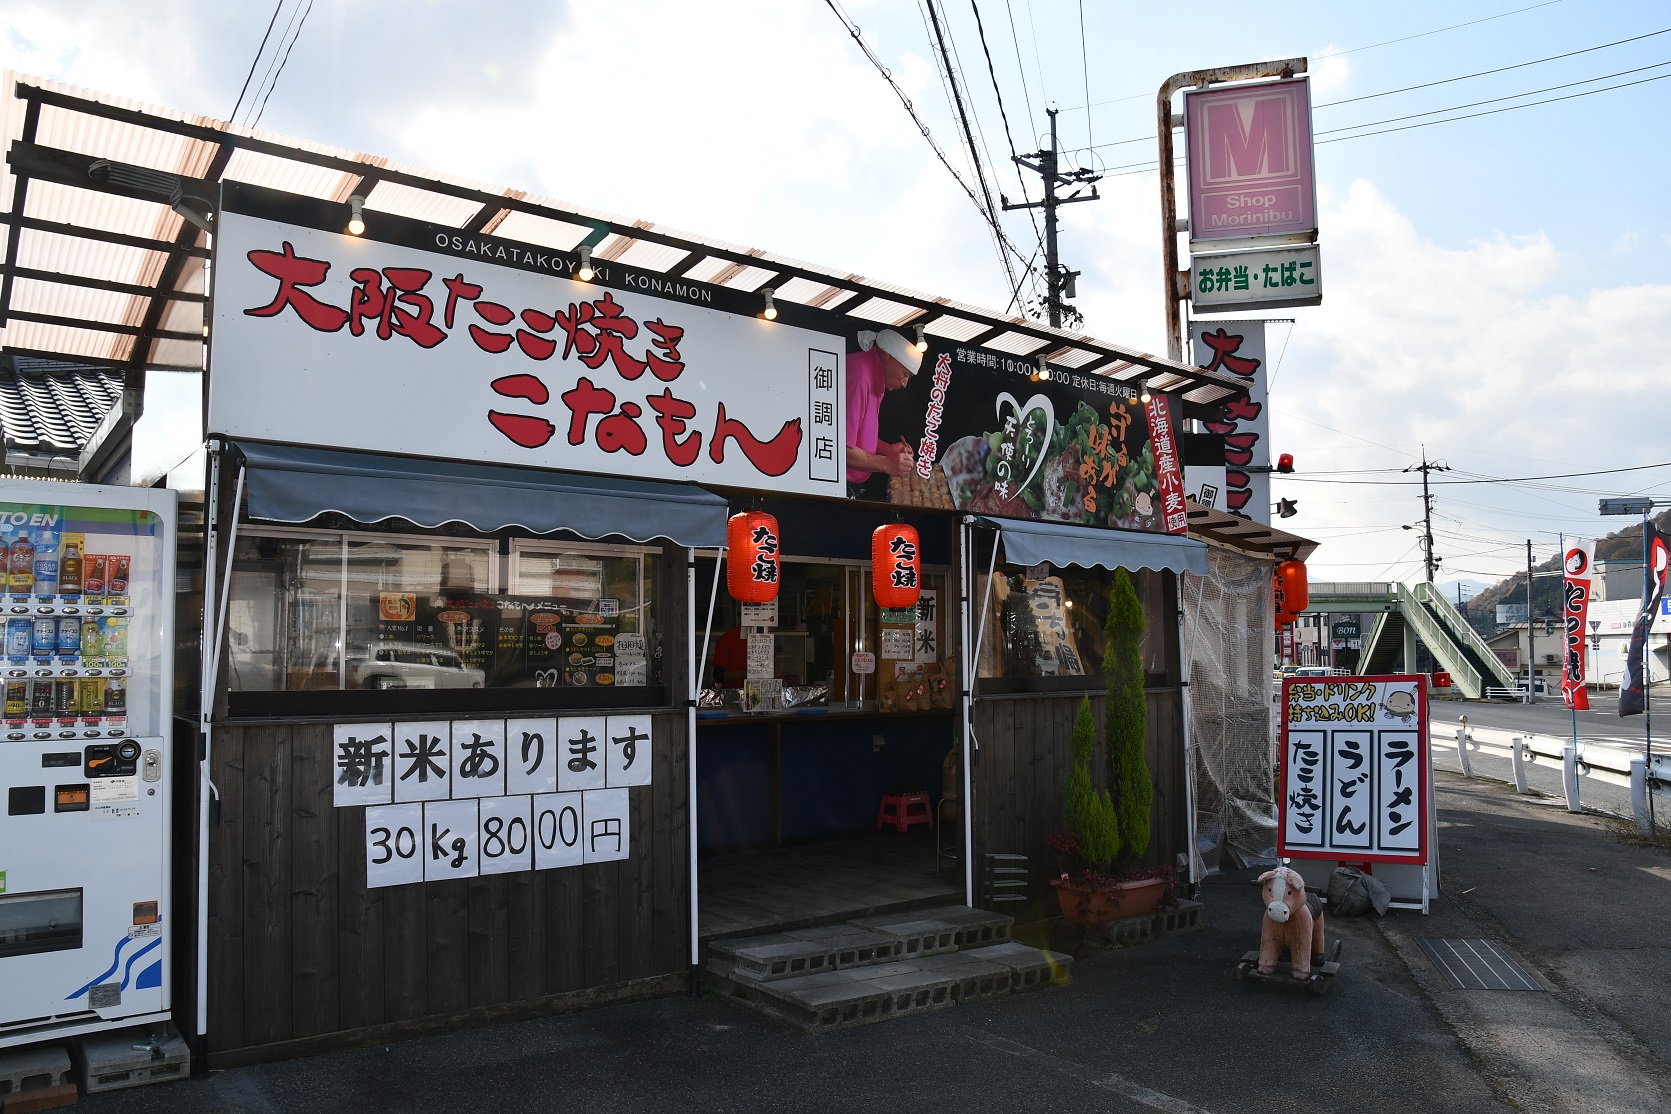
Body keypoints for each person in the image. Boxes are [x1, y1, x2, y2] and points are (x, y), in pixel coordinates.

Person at [845, 328, 921, 497]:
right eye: (905, 375)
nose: (904, 384)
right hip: (839, 484)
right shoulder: (860, 375)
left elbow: (857, 435)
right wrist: (887, 463)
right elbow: (840, 448)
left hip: (854, 484)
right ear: (888, 357)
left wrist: (888, 450)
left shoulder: (875, 376)